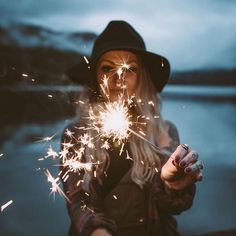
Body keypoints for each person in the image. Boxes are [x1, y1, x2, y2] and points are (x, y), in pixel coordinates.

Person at [60, 20, 204, 236]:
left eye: (130, 69)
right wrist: (97, 231)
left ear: (141, 77)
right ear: (96, 78)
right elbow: (79, 200)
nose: (119, 78)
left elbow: (175, 207)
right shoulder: (76, 134)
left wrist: (171, 184)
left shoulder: (164, 132)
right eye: (108, 68)